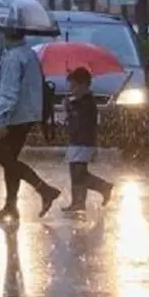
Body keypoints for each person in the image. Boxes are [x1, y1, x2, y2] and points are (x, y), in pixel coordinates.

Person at [0, 28, 60, 222]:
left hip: (15, 117)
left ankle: (44, 190)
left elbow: (9, 92)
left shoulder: (14, 58)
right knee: (9, 160)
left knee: (5, 159)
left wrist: (0, 121)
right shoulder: (28, 54)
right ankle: (11, 206)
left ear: (5, 35)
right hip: (25, 115)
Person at [60, 67, 113, 213]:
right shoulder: (78, 102)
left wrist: (69, 108)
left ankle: (103, 187)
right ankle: (77, 202)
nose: (71, 90)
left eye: (74, 86)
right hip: (76, 141)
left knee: (79, 174)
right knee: (74, 172)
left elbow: (79, 121)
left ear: (84, 85)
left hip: (84, 142)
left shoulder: (87, 103)